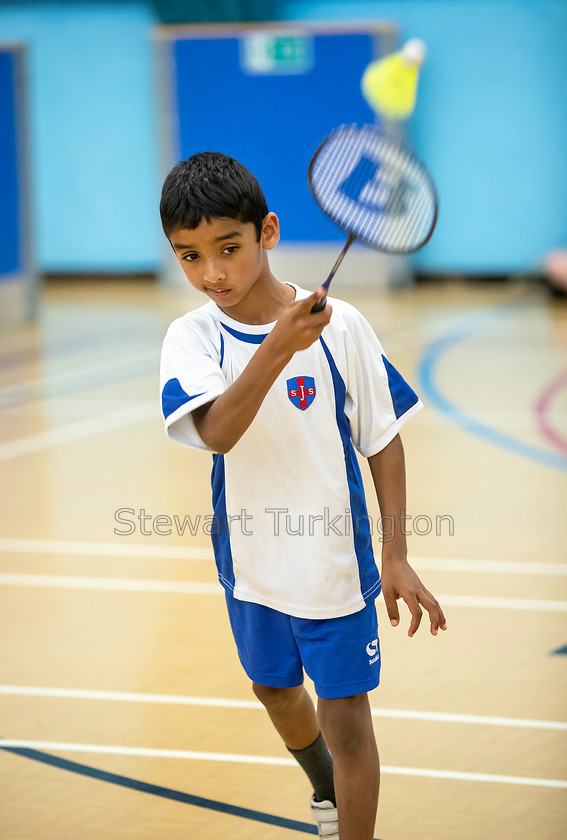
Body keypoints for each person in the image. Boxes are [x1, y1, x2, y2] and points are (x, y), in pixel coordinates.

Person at [159, 151, 447, 840]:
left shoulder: (338, 325)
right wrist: (275, 349)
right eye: (189, 257)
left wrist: (397, 556)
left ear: (268, 232)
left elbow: (383, 439)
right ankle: (322, 788)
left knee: (346, 718)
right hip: (250, 561)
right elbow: (220, 432)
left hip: (333, 567)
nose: (212, 273)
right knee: (273, 690)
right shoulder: (190, 337)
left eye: (227, 248)